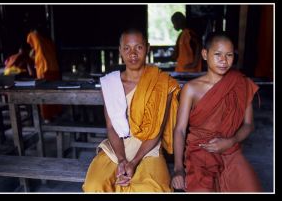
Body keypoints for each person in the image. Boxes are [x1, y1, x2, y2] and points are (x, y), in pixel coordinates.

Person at [83, 28, 180, 192]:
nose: (133, 54)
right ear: (120, 50)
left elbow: (157, 132)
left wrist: (134, 162)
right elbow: (111, 127)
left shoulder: (162, 83)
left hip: (149, 148)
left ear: (147, 48)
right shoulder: (111, 83)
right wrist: (122, 160)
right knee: (95, 185)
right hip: (117, 148)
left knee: (151, 189)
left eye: (139, 47)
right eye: (127, 48)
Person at [171, 31, 262, 192]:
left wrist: (231, 141)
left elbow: (248, 125)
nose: (224, 61)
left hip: (230, 150)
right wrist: (178, 168)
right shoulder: (191, 89)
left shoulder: (240, 83)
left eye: (229, 55)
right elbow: (179, 129)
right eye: (218, 54)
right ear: (205, 54)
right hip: (200, 152)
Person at [27, 29, 62, 122]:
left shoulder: (33, 35)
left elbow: (31, 50)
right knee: (54, 91)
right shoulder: (47, 40)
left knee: (43, 93)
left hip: (44, 68)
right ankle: (56, 113)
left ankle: (47, 116)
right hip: (54, 68)